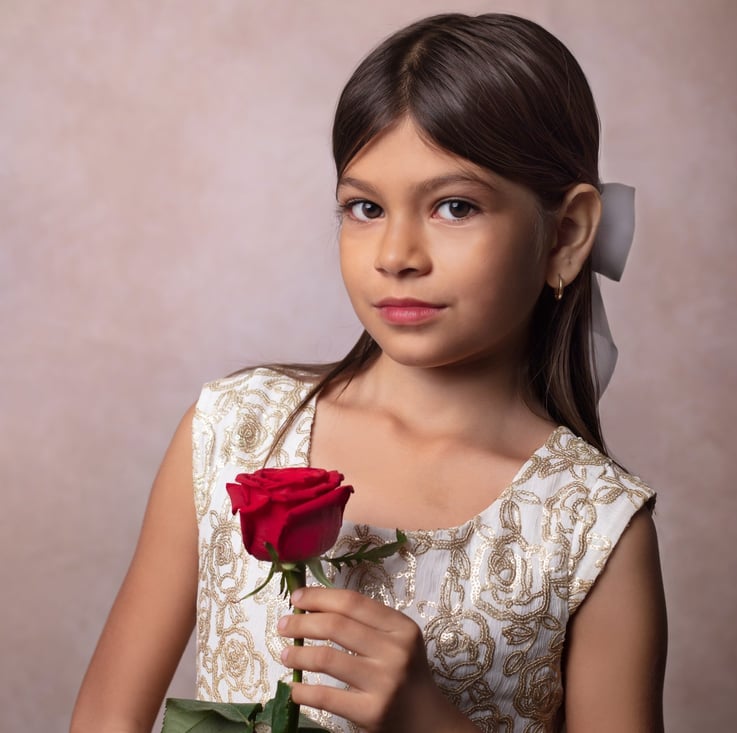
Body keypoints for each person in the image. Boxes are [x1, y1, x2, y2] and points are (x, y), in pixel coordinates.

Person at [70, 12, 667, 733]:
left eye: (454, 206)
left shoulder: (595, 526)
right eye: (365, 207)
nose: (396, 253)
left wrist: (424, 715)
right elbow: (105, 718)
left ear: (566, 235)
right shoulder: (231, 431)